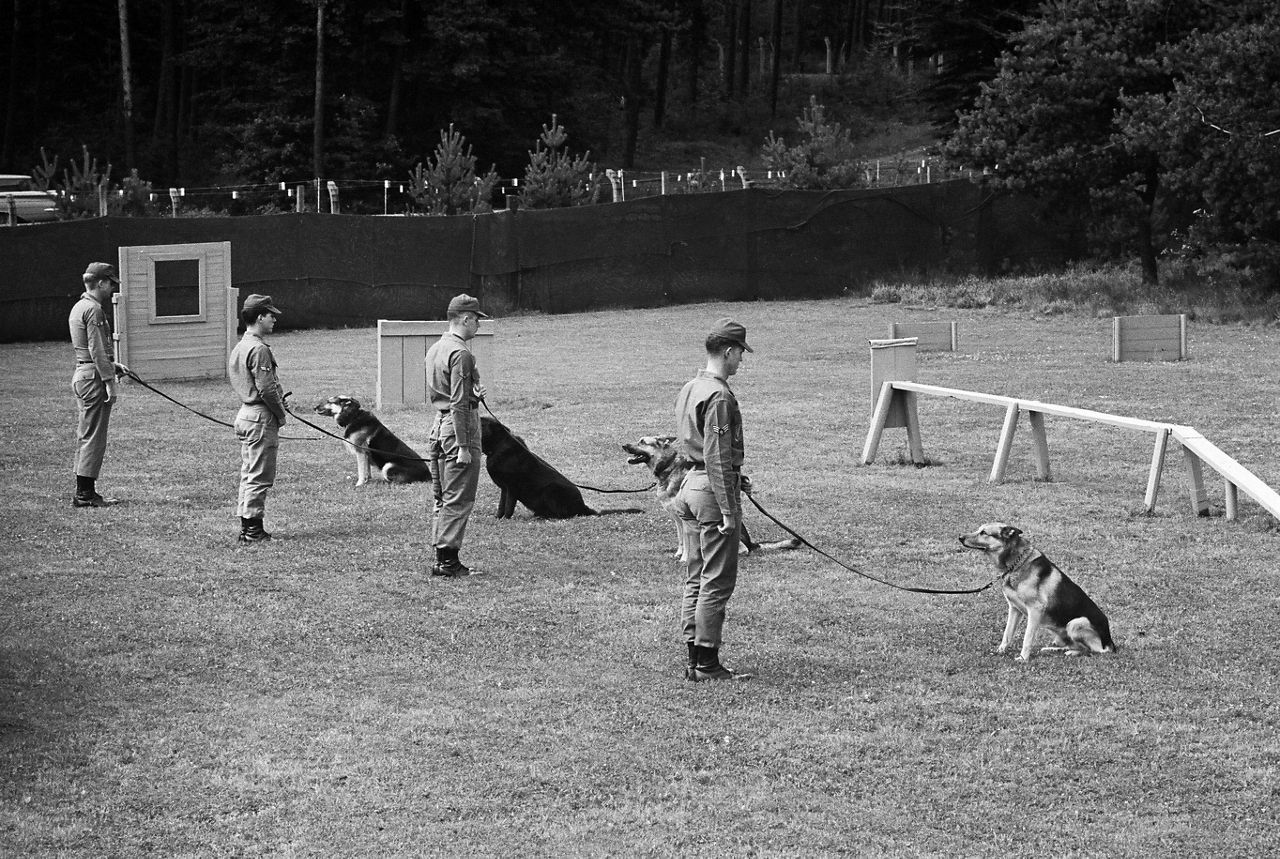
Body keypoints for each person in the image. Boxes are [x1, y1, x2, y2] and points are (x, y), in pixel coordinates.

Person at [673, 317, 757, 682]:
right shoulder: (719, 396)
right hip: (710, 489)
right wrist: (728, 506)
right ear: (727, 351)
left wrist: (737, 478)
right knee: (717, 579)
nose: (741, 360)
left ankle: (694, 656)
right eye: (740, 353)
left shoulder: (692, 386)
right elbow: (718, 454)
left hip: (689, 485)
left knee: (696, 574)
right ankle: (707, 663)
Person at [425, 293, 490, 578]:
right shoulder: (461, 352)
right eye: (476, 319)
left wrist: (473, 394)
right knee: (459, 497)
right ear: (464, 318)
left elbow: (444, 393)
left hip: (439, 426)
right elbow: (459, 403)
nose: (478, 325)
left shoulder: (437, 347)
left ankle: (443, 558)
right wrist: (464, 445)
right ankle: (448, 562)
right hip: (458, 428)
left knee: (443, 496)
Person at [69, 262, 130, 508]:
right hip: (92, 377)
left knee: (87, 434)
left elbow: (89, 350)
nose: (113, 288)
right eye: (111, 283)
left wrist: (113, 366)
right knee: (94, 436)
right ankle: (85, 494)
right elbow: (95, 348)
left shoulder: (79, 306)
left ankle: (85, 490)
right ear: (101, 283)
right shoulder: (93, 310)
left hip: (84, 371)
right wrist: (109, 381)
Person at [228, 294, 287, 543]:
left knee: (249, 472)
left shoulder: (241, 345)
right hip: (260, 416)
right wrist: (281, 414)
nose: (274, 319)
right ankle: (253, 530)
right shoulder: (259, 348)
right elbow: (266, 389)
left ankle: (248, 526)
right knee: (259, 475)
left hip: (246, 413)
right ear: (260, 316)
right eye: (270, 315)